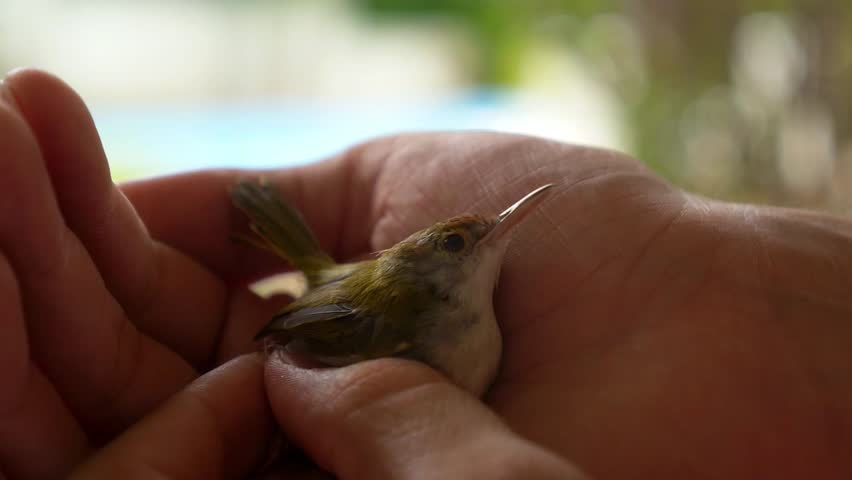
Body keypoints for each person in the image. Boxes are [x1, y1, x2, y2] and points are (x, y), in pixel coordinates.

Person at [0, 68, 850, 480]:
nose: (494, 238)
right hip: (321, 314)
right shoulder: (417, 317)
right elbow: (300, 329)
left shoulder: (463, 313)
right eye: (462, 241)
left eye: (480, 235)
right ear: (429, 266)